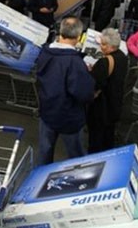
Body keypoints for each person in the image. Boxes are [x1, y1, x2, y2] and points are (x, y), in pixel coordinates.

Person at [36, 17, 95, 165]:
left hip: (47, 111)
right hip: (69, 117)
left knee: (44, 152)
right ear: (79, 36)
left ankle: (41, 176)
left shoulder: (45, 52)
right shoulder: (75, 62)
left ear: (61, 31)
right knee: (76, 157)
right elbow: (83, 93)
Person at [87, 28, 129, 153]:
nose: (101, 47)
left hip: (101, 107)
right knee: (108, 137)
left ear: (112, 46)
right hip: (115, 104)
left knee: (96, 139)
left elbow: (95, 83)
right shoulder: (123, 57)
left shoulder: (104, 62)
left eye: (104, 44)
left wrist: (91, 72)